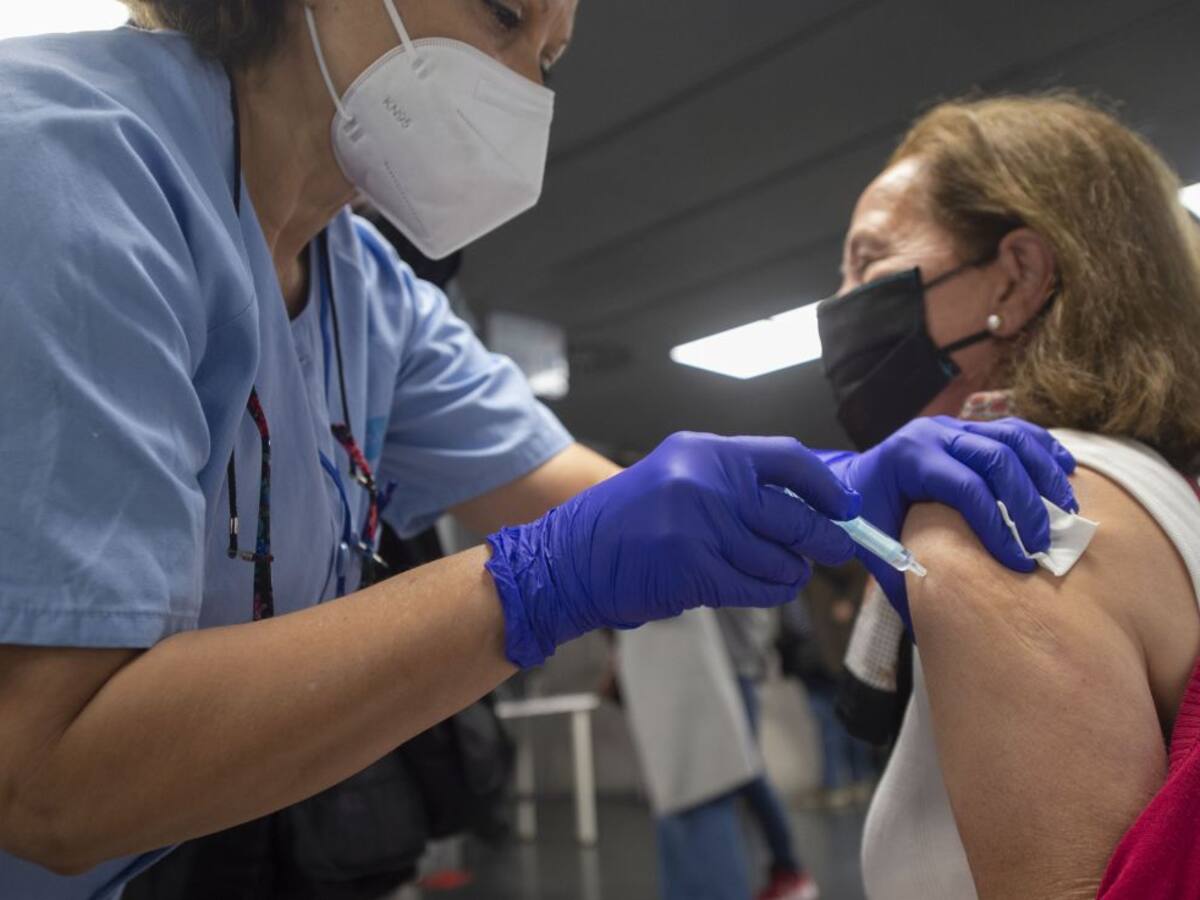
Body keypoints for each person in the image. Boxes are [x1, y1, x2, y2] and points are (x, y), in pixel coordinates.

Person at [0, 2, 1075, 896]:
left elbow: (597, 499)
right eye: (504, 13)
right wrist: (537, 584)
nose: (523, 88)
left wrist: (838, 488)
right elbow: (46, 779)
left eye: (549, 60)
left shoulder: (367, 295)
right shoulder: (63, 161)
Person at [814, 93, 1200, 898]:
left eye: (867, 260)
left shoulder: (998, 502)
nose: (838, 302)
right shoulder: (1157, 491)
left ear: (1018, 277)